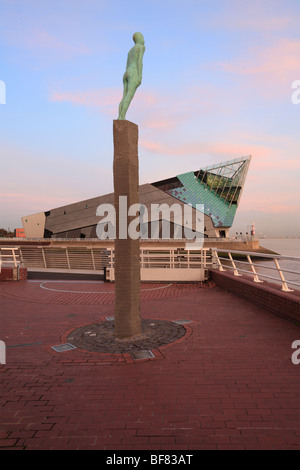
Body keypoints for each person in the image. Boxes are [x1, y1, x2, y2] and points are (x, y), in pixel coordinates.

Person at [118, 32, 145, 120]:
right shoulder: (140, 47)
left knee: (124, 96)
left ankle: (120, 116)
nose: (144, 40)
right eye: (142, 38)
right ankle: (122, 117)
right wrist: (140, 76)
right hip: (133, 72)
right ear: (139, 38)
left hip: (126, 73)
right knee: (129, 95)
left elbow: (127, 65)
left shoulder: (130, 51)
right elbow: (139, 62)